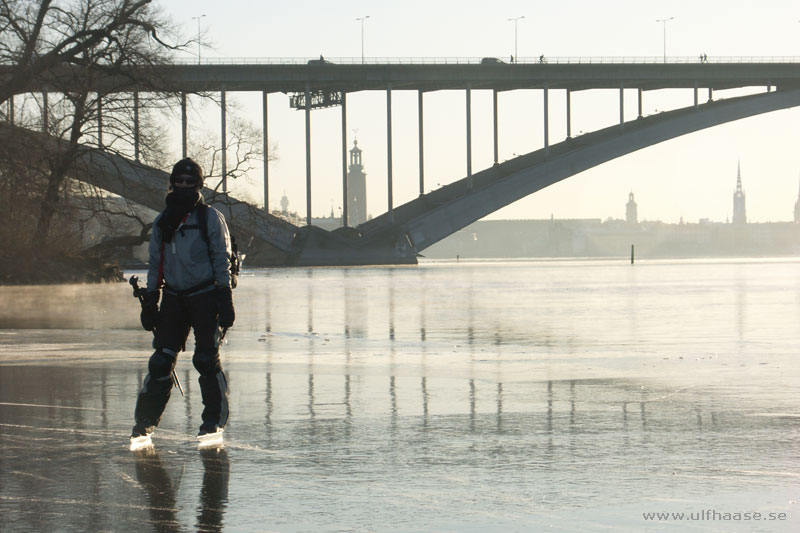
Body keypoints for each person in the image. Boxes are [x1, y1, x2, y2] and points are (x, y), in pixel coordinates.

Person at [131, 157, 235, 441]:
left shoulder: (210, 218)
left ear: (198, 185)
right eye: (179, 181)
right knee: (161, 361)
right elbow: (155, 262)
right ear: (172, 183)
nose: (184, 186)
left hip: (205, 296)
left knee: (205, 359)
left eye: (190, 182)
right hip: (174, 298)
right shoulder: (163, 221)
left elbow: (220, 259)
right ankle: (144, 424)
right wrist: (152, 299)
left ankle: (212, 422)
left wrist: (225, 298)